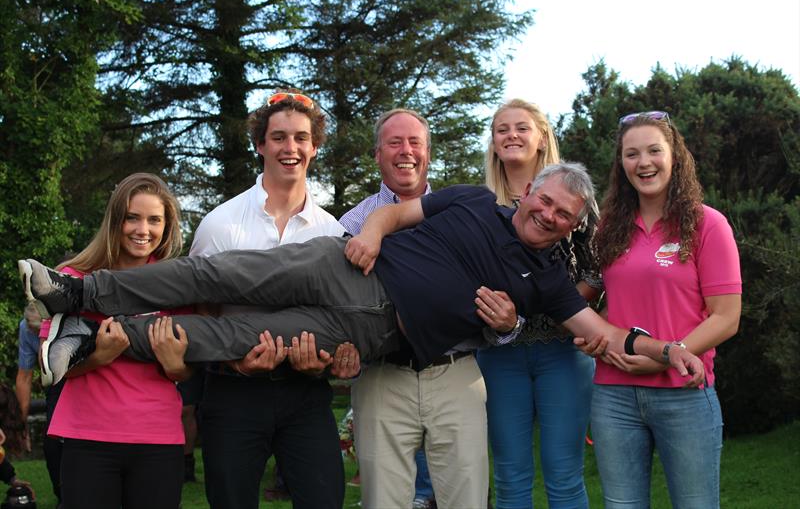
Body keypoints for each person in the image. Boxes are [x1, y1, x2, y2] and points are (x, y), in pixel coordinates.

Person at [22, 164, 706, 395]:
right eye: (545, 201)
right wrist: (372, 234)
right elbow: (404, 209)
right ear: (528, 192)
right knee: (221, 270)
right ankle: (76, 293)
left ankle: (87, 337)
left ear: (569, 227)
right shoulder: (473, 198)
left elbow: (609, 334)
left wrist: (666, 348)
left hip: (370, 331)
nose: (549, 215)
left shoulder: (547, 280)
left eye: (564, 216)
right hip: (345, 265)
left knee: (228, 333)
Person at [153, 91, 353, 509]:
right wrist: (230, 361)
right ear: (260, 144)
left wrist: (326, 360)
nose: (290, 148)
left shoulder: (331, 233)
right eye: (278, 137)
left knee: (325, 500)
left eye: (301, 137)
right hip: (235, 393)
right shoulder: (220, 223)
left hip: (306, 392)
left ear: (315, 146)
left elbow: (337, 315)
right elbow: (200, 308)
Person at [587, 111, 741, 508]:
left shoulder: (708, 225)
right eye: (632, 154)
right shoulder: (607, 229)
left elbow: (726, 316)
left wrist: (666, 355)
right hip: (613, 394)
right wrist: (595, 340)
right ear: (621, 164)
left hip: (684, 392)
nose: (644, 162)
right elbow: (591, 303)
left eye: (654, 150)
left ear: (675, 156)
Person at [340, 109, 489, 508]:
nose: (406, 151)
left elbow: (502, 290)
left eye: (415, 142)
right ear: (377, 154)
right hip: (382, 378)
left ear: (428, 152)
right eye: (394, 142)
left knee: (467, 499)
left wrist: (509, 324)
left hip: (456, 373)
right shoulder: (353, 223)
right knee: (382, 501)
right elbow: (342, 303)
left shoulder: (466, 214)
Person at [36, 172, 190, 509]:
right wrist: (97, 357)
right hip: (87, 438)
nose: (142, 230)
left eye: (154, 220)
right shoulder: (73, 281)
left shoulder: (177, 285)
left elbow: (188, 373)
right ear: (114, 221)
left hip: (158, 439)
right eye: (132, 218)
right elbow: (49, 367)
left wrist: (176, 366)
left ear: (167, 226)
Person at [476, 99, 599, 508]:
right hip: (499, 354)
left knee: (563, 474)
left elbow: (597, 272)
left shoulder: (574, 193)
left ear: (541, 137)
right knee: (511, 475)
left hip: (562, 351)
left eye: (521, 127)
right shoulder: (480, 203)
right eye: (502, 129)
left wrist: (561, 311)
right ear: (493, 142)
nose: (511, 135)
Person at [15, 304, 41, 445]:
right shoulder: (26, 327)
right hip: (53, 384)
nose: (36, 334)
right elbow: (24, 377)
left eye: (38, 330)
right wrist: (21, 425)